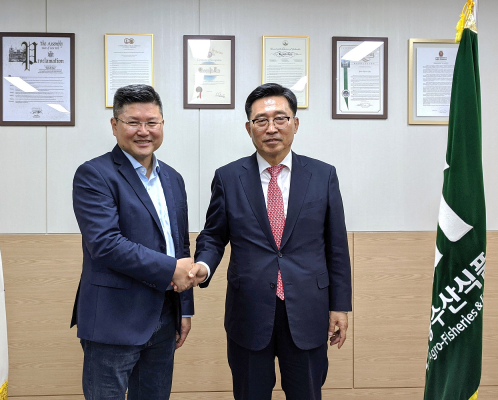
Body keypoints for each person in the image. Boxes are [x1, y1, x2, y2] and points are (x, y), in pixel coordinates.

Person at [193, 83, 352, 400]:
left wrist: (340, 305)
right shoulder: (228, 177)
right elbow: (213, 235)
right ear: (248, 128)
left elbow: (336, 246)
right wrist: (203, 265)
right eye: (261, 120)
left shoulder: (323, 175)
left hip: (308, 309)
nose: (271, 128)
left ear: (295, 123)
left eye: (280, 118)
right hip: (249, 311)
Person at [71, 84, 198, 400]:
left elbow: (180, 247)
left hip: (164, 317)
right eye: (133, 122)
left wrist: (185, 310)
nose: (144, 131)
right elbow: (106, 244)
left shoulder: (173, 179)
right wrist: (170, 269)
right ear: (114, 125)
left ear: (162, 124)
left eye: (152, 122)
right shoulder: (94, 174)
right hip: (113, 320)